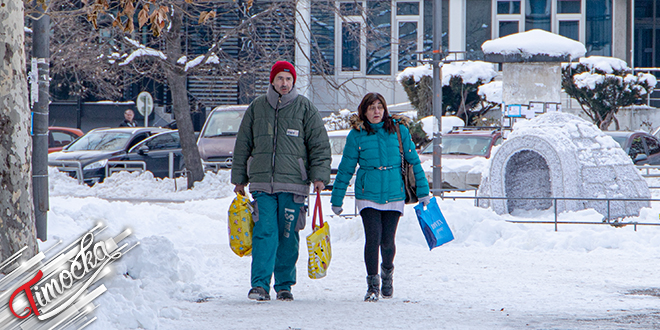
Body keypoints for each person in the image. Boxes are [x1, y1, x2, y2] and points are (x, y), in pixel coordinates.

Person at [231, 60, 331, 302]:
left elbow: (319, 145)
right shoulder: (257, 108)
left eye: (288, 79)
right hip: (263, 184)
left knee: (288, 235)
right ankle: (260, 285)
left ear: (293, 81)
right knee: (265, 232)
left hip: (294, 184)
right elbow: (243, 144)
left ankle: (284, 285)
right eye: (280, 79)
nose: (284, 83)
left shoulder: (305, 108)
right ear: (272, 81)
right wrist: (239, 179)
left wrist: (319, 176)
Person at [330, 92, 431, 302]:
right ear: (364, 111)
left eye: (379, 107)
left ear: (385, 109)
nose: (376, 111)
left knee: (387, 241)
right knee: (372, 239)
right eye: (371, 108)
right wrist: (336, 199)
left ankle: (387, 274)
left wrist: (423, 192)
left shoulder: (399, 130)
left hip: (394, 192)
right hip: (368, 194)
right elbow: (346, 168)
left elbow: (414, 162)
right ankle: (372, 286)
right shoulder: (356, 134)